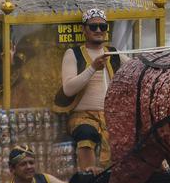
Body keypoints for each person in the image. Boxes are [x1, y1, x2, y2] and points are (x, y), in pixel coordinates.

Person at [54, 9, 126, 173]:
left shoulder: (114, 53)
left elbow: (138, 68)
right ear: (84, 29)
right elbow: (68, 88)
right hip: (83, 116)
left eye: (103, 26)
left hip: (111, 116)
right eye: (94, 27)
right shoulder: (73, 53)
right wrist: (92, 68)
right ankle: (89, 176)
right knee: (86, 134)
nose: (99, 30)